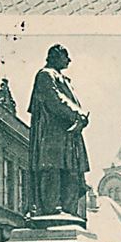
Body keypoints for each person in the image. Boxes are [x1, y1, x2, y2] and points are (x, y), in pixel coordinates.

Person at [27, 44, 91, 217]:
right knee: (52, 169)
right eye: (65, 56)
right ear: (55, 57)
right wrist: (78, 114)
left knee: (70, 172)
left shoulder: (61, 78)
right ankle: (51, 208)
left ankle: (67, 210)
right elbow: (55, 100)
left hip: (67, 134)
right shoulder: (45, 75)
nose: (69, 60)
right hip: (52, 134)